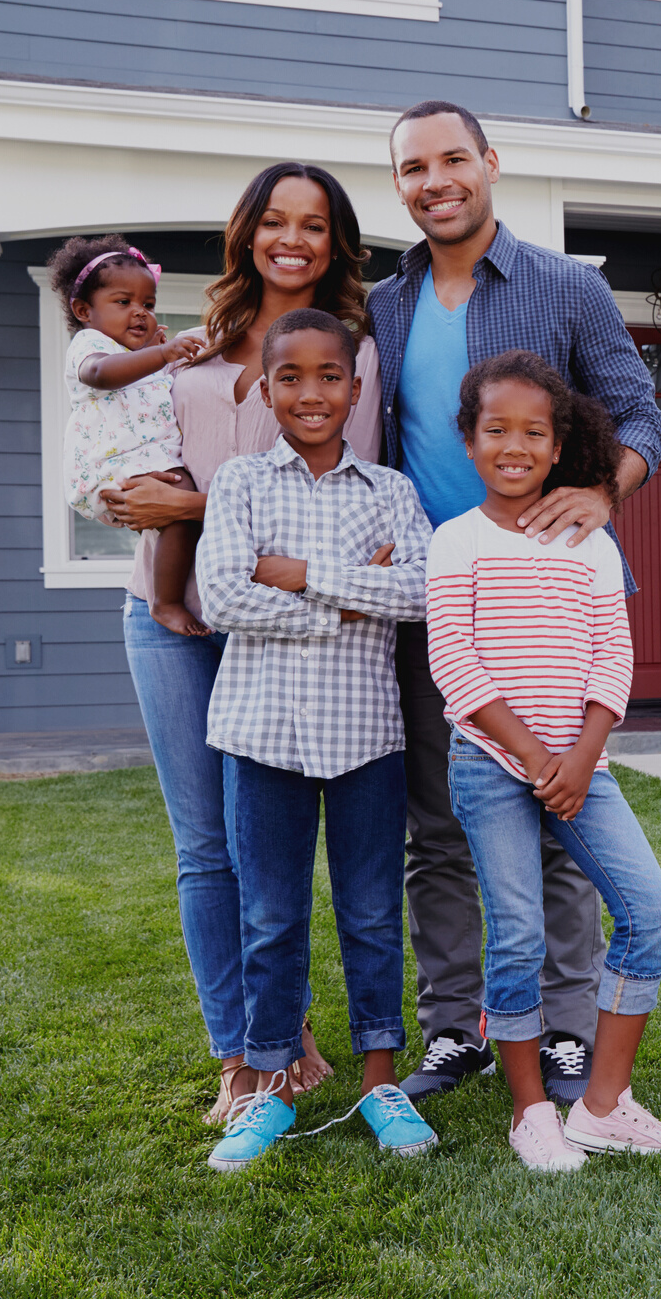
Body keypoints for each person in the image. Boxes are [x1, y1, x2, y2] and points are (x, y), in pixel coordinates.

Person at [368, 99, 661, 1104]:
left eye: (454, 158)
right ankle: (455, 1029)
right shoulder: (385, 305)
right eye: (414, 167)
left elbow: (638, 412)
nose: (435, 180)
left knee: (563, 821)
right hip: (441, 602)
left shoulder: (566, 287)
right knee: (441, 825)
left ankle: (569, 1030)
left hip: (555, 600)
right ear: (399, 185)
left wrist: (603, 489)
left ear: (490, 163)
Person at [99, 163, 382, 1123]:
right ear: (247, 232)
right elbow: (132, 465)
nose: (291, 239)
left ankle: (283, 1027)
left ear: (336, 241)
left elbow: (342, 506)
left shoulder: (356, 355)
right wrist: (131, 495)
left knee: (277, 846)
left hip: (282, 630)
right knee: (204, 848)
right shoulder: (189, 345)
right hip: (169, 616)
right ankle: (245, 1050)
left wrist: (187, 501)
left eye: (312, 224)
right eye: (273, 220)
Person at [428, 352, 661, 1171]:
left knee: (650, 913)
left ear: (558, 445)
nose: (515, 444)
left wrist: (581, 758)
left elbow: (612, 659)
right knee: (518, 935)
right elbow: (456, 666)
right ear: (469, 442)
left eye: (533, 431)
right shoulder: (455, 541)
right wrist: (538, 757)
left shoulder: (593, 544)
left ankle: (603, 1107)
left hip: (585, 764)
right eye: (496, 429)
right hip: (491, 763)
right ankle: (529, 1112)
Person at [197, 309, 438, 1171]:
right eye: (290, 377)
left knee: (374, 912)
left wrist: (297, 576)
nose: (310, 393)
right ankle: (267, 1085)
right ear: (267, 389)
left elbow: (415, 592)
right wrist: (347, 596)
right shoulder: (238, 485)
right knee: (270, 914)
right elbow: (223, 597)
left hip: (366, 735)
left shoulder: (391, 493)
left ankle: (381, 1080)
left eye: (329, 376)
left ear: (355, 386)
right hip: (262, 735)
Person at [49, 236, 205, 636]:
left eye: (148, 305)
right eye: (123, 303)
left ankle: (171, 594)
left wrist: (155, 354)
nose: (139, 313)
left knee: (180, 509)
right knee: (180, 506)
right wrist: (161, 354)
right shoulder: (90, 345)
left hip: (146, 459)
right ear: (85, 311)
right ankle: (165, 602)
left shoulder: (143, 356)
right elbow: (101, 374)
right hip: (112, 464)